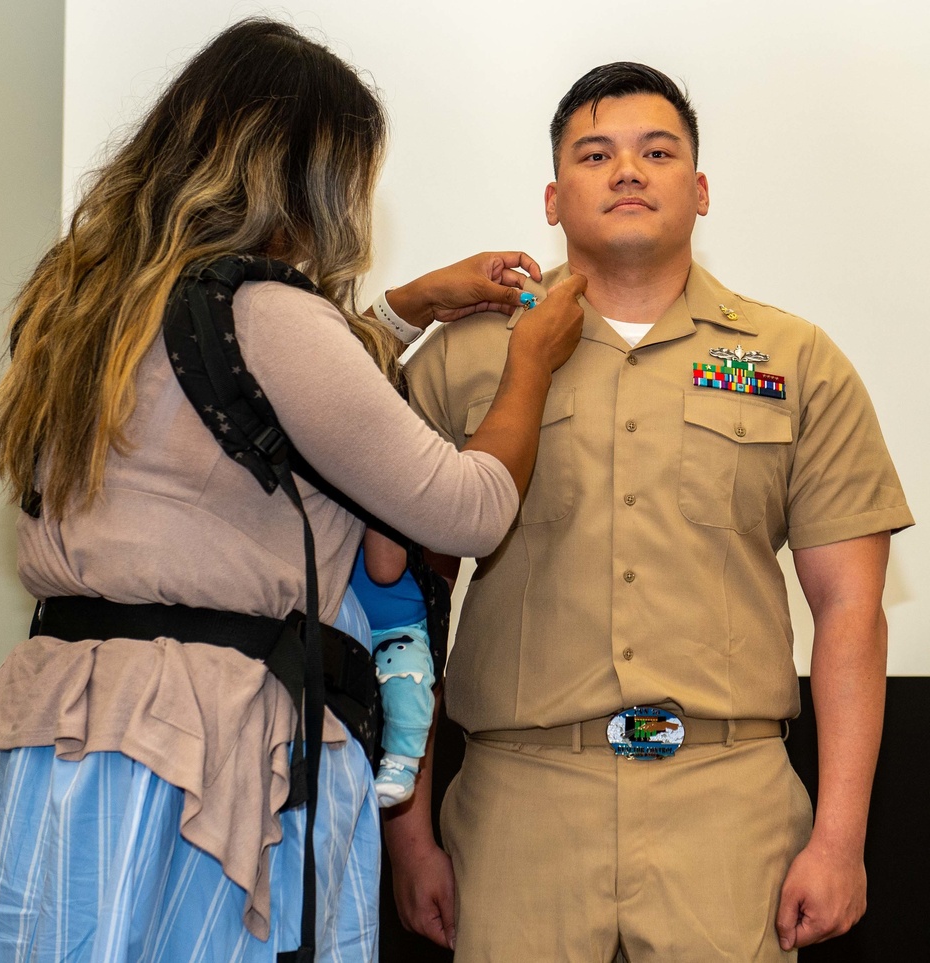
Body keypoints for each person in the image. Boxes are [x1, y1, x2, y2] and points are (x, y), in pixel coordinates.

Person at [0, 18, 586, 963]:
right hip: (200, 746)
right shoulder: (274, 313)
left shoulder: (87, 302)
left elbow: (236, 417)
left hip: (66, 733)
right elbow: (467, 506)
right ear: (312, 175)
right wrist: (529, 363)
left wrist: (400, 312)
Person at [387, 62, 914, 962]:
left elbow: (849, 609)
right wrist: (409, 835)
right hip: (519, 810)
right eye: (596, 154)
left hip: (729, 808)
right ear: (553, 199)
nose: (628, 171)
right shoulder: (467, 359)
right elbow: (405, 609)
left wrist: (839, 839)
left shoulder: (796, 358)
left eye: (656, 151)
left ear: (700, 189)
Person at [350, 530, 436, 807]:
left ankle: (402, 761)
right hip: (335, 618)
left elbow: (384, 568)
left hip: (398, 626)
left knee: (408, 674)